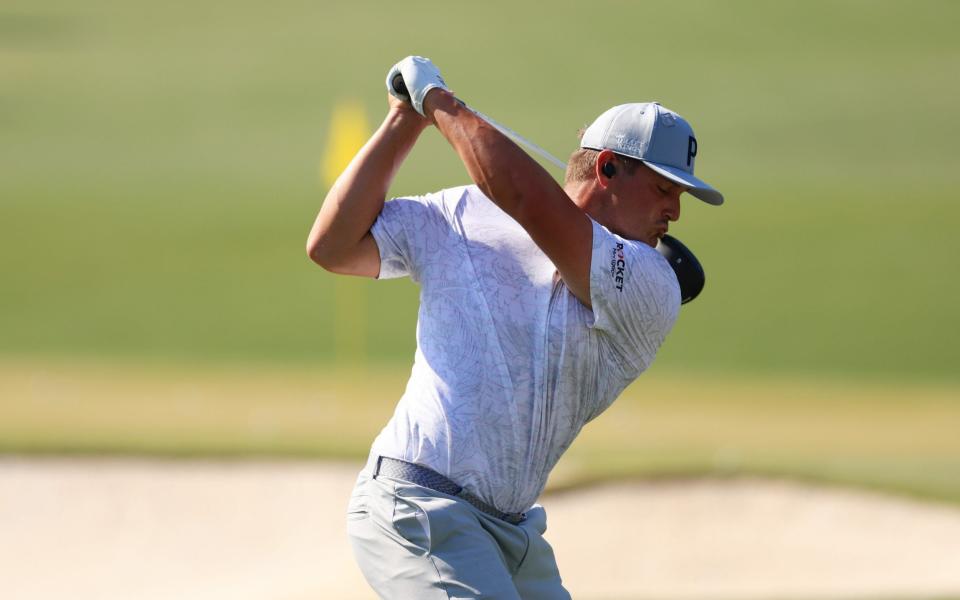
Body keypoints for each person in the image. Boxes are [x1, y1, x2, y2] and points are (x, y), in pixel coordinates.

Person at [306, 56, 724, 599]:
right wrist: (403, 122)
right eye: (666, 189)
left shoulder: (651, 283)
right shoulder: (462, 212)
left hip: (511, 532)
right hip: (416, 505)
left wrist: (438, 102)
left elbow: (529, 201)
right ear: (607, 169)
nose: (675, 212)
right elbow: (334, 247)